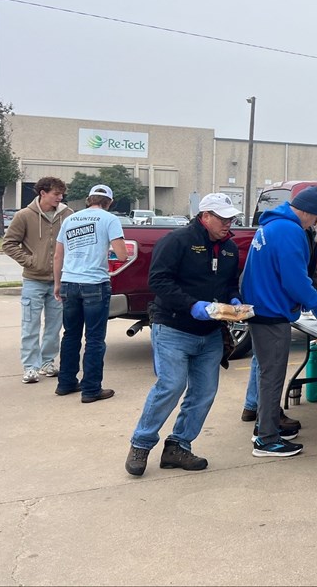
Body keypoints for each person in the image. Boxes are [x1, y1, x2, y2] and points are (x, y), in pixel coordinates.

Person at [125, 193, 244, 476]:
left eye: (231, 218)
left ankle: (178, 446)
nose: (228, 223)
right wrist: (192, 305)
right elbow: (158, 281)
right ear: (205, 216)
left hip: (211, 333)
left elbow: (229, 284)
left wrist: (234, 300)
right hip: (173, 328)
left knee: (203, 393)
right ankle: (141, 443)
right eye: (222, 218)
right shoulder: (177, 241)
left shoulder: (229, 249)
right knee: (171, 386)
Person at [240, 185, 317, 458]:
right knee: (272, 377)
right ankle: (267, 440)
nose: (313, 223)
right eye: (314, 218)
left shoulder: (271, 226)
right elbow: (295, 279)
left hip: (261, 308)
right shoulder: (290, 231)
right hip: (272, 313)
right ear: (306, 211)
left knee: (266, 373)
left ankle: (264, 427)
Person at [52, 184, 128, 402]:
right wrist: (107, 251)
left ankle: (66, 383)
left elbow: (58, 255)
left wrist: (57, 284)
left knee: (70, 335)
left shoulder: (70, 219)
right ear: (109, 202)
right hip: (95, 283)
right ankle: (91, 389)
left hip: (69, 282)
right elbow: (122, 255)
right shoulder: (109, 219)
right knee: (94, 338)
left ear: (89, 199)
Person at [3, 177, 73, 384]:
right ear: (43, 193)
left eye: (62, 194)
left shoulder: (68, 215)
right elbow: (9, 243)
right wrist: (30, 261)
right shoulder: (24, 215)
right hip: (33, 280)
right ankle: (30, 367)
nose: (60, 198)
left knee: (54, 326)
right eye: (56, 194)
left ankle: (47, 362)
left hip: (59, 280)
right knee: (30, 325)